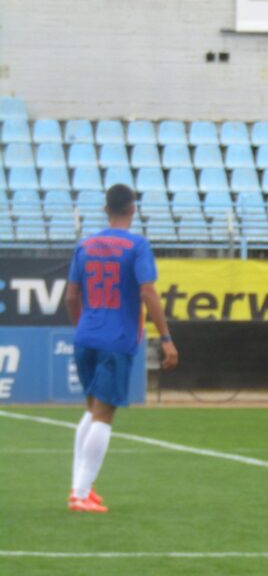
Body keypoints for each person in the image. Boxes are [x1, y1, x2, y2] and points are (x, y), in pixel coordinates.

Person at [64, 184, 178, 513]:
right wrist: (166, 338)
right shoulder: (137, 245)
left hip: (86, 335)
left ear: (106, 209)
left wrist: (83, 327)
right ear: (132, 209)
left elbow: (71, 297)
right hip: (117, 339)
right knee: (104, 415)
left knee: (91, 409)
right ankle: (80, 494)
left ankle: (80, 488)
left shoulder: (84, 245)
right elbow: (148, 293)